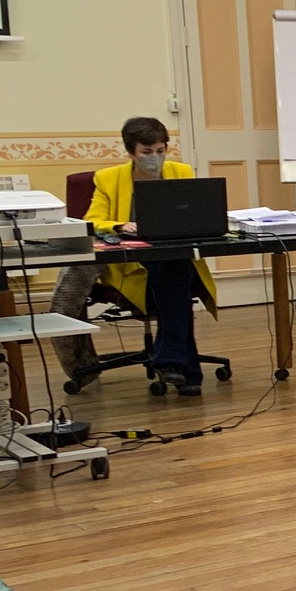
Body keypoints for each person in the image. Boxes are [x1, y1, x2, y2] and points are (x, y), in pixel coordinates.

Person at [56, 117, 218, 396]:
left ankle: (174, 363)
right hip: (130, 263)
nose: (155, 158)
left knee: (173, 270)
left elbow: (193, 212)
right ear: (131, 152)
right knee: (175, 279)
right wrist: (120, 226)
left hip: (175, 254)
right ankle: (181, 367)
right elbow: (92, 220)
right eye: (146, 152)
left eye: (160, 150)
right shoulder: (108, 178)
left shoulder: (181, 171)